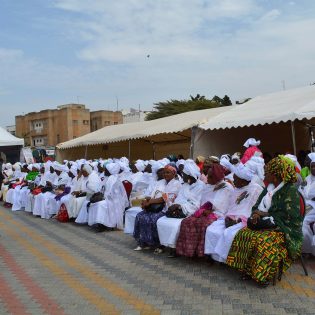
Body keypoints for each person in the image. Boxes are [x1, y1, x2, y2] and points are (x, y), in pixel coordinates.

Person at [226, 155, 302, 286]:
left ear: (275, 175)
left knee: (263, 241)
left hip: (284, 228)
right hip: (267, 223)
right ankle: (247, 270)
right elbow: (256, 206)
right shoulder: (269, 188)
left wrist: (264, 213)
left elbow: (289, 216)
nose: (264, 175)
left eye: (266, 173)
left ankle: (263, 275)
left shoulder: (290, 191)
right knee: (243, 233)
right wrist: (256, 213)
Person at [176, 164, 233, 257]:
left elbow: (223, 205)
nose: (207, 178)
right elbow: (203, 201)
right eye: (207, 175)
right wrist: (203, 210)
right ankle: (188, 252)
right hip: (204, 211)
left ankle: (202, 254)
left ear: (216, 177)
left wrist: (210, 211)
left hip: (218, 213)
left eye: (210, 176)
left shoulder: (226, 187)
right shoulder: (208, 186)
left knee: (203, 225)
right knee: (187, 222)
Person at [157, 160, 205, 257]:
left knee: (176, 225)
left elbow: (197, 204)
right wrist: (175, 205)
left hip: (189, 211)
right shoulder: (185, 185)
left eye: (184, 174)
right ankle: (166, 245)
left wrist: (180, 206)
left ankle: (174, 248)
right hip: (179, 209)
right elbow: (179, 198)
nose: (182, 176)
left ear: (189, 174)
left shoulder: (201, 186)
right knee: (161, 221)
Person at [133, 165, 181, 251]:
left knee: (152, 219)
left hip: (166, 208)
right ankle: (144, 242)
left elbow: (165, 198)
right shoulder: (160, 182)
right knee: (140, 216)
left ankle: (158, 243)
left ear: (174, 174)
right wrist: (145, 201)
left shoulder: (176, 184)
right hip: (154, 206)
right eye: (164, 172)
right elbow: (152, 194)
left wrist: (150, 202)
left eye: (168, 172)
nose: (165, 174)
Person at [300, 152, 315, 256]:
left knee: (303, 221)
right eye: (312, 166)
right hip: (305, 204)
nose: (314, 168)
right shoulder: (307, 178)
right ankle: (305, 248)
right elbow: (301, 191)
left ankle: (309, 249)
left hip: (314, 205)